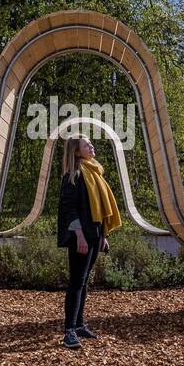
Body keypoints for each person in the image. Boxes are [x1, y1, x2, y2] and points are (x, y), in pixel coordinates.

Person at [55, 135, 121, 349]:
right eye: (86, 145)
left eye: (90, 143)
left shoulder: (95, 172)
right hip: (80, 237)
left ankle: (80, 324)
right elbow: (69, 207)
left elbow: (101, 210)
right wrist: (80, 236)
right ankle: (69, 332)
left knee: (84, 282)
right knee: (76, 282)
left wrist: (103, 236)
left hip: (94, 235)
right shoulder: (73, 175)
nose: (91, 146)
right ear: (76, 152)